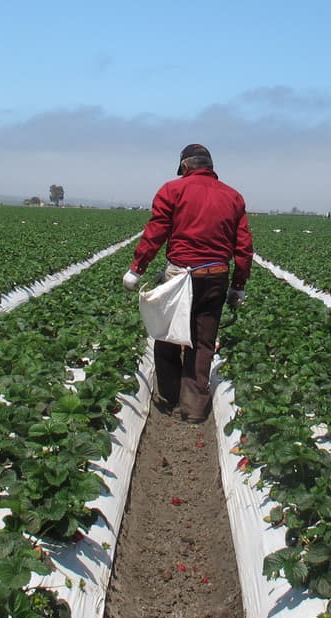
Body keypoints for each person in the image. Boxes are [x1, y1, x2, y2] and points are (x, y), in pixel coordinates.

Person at [122, 144, 254, 423]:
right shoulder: (233, 196)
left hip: (180, 276)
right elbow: (243, 247)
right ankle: (193, 407)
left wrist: (137, 269)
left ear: (185, 166)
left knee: (169, 334)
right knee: (203, 341)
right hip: (216, 276)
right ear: (210, 166)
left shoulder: (172, 190)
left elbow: (156, 231)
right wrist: (238, 284)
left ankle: (169, 398)